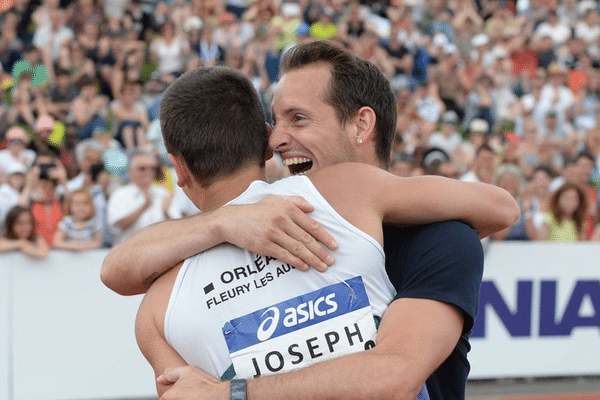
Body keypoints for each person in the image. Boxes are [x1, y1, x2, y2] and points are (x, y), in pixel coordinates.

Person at [102, 41, 517, 399]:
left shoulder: (157, 309)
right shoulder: (334, 196)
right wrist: (225, 222)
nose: (279, 137)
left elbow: (393, 376)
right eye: (275, 123)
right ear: (261, 143)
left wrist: (230, 391)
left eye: (298, 119)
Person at [106, 149, 179, 245]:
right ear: (129, 171)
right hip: (129, 252)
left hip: (160, 251)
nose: (148, 171)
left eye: (152, 168)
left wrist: (165, 212)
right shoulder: (120, 195)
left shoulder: (164, 193)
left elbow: (177, 229)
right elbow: (118, 227)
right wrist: (144, 207)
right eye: (142, 168)